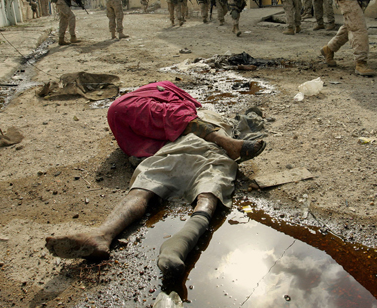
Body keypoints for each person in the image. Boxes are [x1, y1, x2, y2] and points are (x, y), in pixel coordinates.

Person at [45, 81, 266, 278]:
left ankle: (107, 234)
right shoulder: (173, 104)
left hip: (174, 145)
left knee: (153, 177)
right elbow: (179, 115)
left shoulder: (164, 106)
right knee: (212, 177)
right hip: (191, 142)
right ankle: (173, 240)